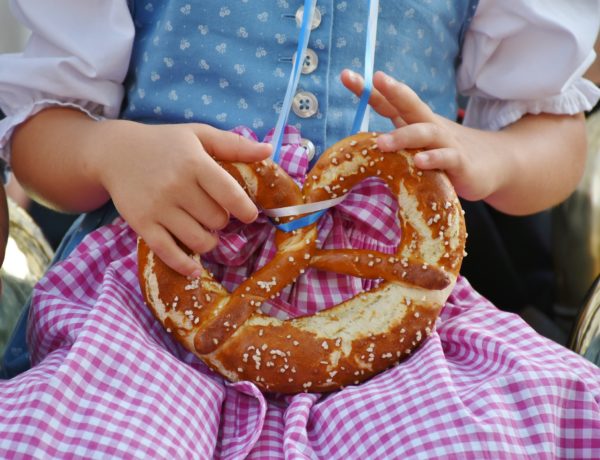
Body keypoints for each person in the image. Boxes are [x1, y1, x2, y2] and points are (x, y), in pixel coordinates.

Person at [1, 0, 600, 458]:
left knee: (472, 442)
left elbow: (556, 134)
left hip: (398, 324)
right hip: (157, 293)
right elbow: (39, 133)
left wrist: (490, 157)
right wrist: (107, 151)